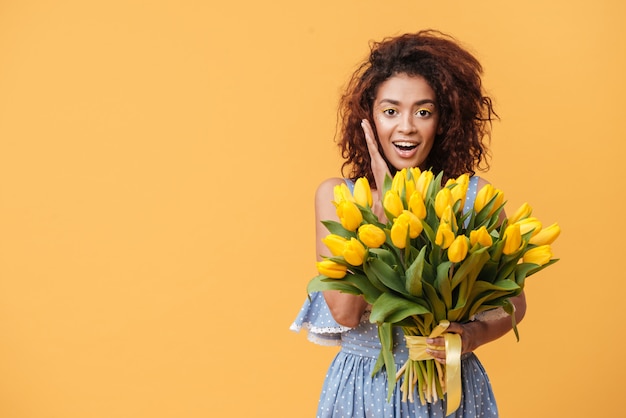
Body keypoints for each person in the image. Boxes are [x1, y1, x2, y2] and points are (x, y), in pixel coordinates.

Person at [291, 30, 526, 417]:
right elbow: (346, 314)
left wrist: (469, 336)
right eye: (390, 111)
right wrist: (381, 214)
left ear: (443, 120)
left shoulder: (473, 198)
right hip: (365, 387)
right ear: (369, 119)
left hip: (449, 382)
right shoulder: (341, 198)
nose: (407, 127)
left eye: (423, 111)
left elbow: (513, 302)